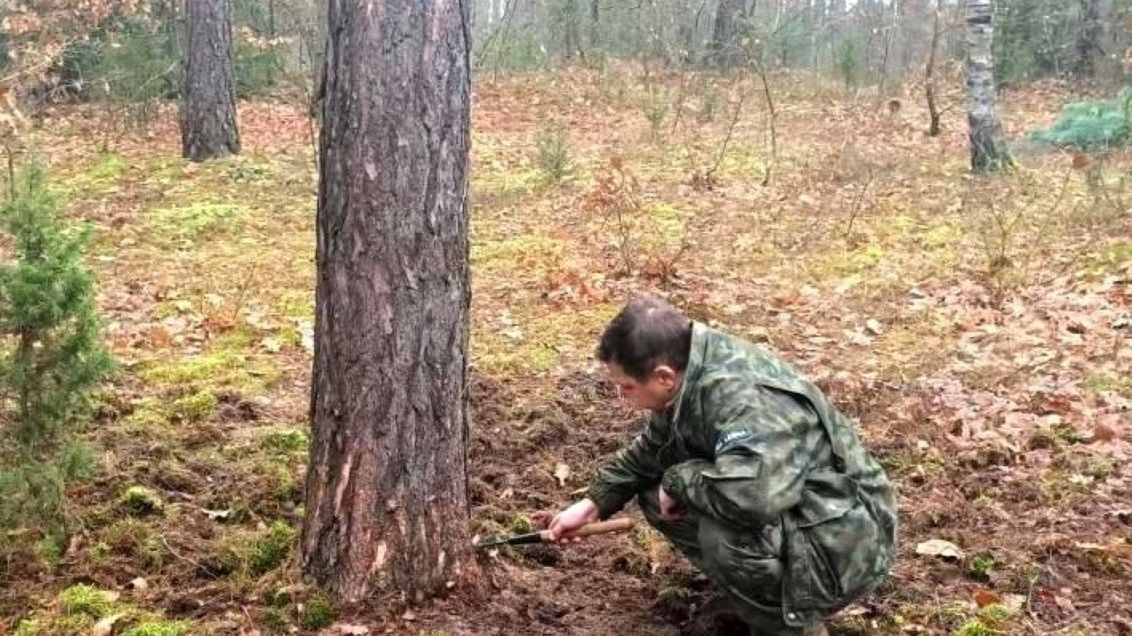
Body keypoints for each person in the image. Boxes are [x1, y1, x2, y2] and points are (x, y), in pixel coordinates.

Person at [547, 295, 898, 636]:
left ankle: (789, 624)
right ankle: (757, 595)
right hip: (804, 506)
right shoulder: (689, 370)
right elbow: (655, 449)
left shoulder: (739, 397)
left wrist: (678, 479)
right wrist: (593, 504)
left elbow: (753, 498)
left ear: (664, 377)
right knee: (655, 495)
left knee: (725, 535)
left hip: (849, 537)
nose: (620, 396)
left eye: (626, 387)